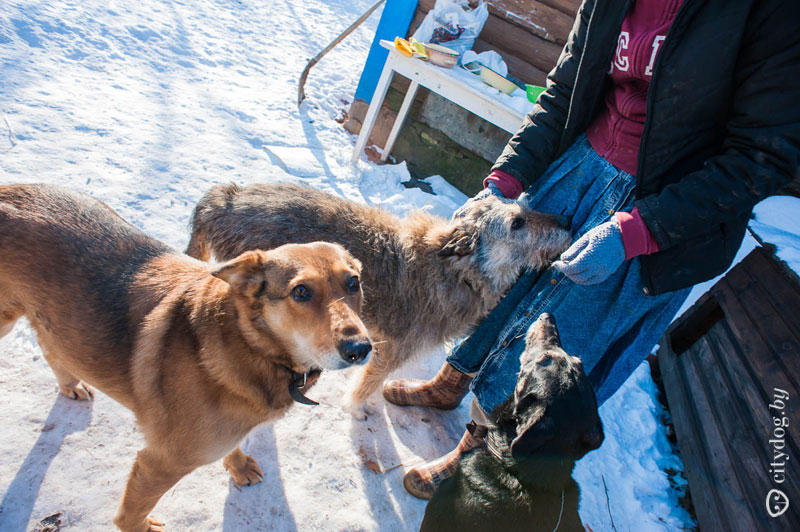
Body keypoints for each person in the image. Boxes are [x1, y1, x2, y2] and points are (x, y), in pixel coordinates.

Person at [383, 0, 800, 499]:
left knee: (557, 338)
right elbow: (563, 90)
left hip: (666, 211)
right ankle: (452, 382)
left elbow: (761, 157)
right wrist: (504, 178)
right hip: (579, 169)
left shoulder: (770, 13)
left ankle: (476, 452)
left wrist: (637, 231)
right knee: (505, 299)